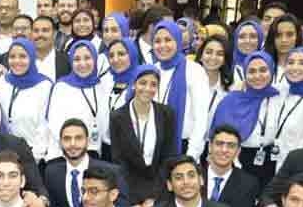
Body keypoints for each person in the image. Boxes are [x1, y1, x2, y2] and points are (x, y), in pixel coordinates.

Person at [110, 66, 177, 207]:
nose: (148, 88)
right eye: (142, 82)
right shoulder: (117, 117)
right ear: (133, 84)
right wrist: (132, 201)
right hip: (128, 190)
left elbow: (168, 159)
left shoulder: (167, 114)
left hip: (159, 189)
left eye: (153, 84)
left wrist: (154, 198)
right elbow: (119, 163)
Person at [210, 51, 281, 188]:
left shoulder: (279, 97)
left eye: (263, 70)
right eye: (252, 71)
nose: (257, 76)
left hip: (273, 161)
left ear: (272, 71)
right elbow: (219, 136)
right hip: (239, 161)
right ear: (245, 74)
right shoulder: (232, 100)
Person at [44, 119, 129, 207]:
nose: (72, 144)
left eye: (78, 138)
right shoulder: (52, 173)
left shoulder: (111, 171)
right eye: (67, 139)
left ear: (88, 141)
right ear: (60, 143)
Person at [151, 20, 210, 159]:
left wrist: (191, 155)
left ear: (177, 41)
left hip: (183, 147)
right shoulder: (153, 70)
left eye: (168, 40)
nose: (162, 45)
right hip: (153, 146)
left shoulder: (194, 70)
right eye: (157, 41)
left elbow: (200, 120)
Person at [47, 40, 111, 159]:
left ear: (95, 60)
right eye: (76, 59)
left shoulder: (100, 86)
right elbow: (54, 124)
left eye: (87, 58)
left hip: (93, 151)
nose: (82, 63)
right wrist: (74, 145)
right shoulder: (61, 87)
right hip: (65, 153)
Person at [0, 39, 52, 161]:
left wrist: (34, 157)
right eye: (12, 56)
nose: (17, 61)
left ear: (31, 57)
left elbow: (45, 125)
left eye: (22, 56)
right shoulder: (2, 82)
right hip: (5, 155)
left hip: (33, 155)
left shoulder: (44, 86)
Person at [268, 47, 303, 167]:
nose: (295, 67)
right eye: (291, 62)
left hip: (297, 166)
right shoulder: (282, 91)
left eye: (302, 63)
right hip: (275, 162)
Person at [203, 125, 261, 207]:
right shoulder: (194, 176)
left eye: (231, 146)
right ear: (210, 147)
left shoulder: (248, 184)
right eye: (219, 144)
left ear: (238, 151)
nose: (224, 150)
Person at [99, 39, 141, 158]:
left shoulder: (141, 82)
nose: (115, 59)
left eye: (121, 54)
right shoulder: (105, 81)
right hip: (106, 148)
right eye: (111, 55)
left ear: (132, 54)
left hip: (131, 151)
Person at [195, 35, 233, 128]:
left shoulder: (230, 89)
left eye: (219, 54)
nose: (213, 57)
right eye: (208, 52)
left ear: (224, 60)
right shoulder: (187, 81)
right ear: (200, 56)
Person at [264, 13, 303, 87]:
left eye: (289, 34)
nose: (284, 40)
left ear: (297, 36)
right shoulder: (262, 65)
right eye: (278, 35)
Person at [32, 15, 66, 80]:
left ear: (54, 34)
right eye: (36, 31)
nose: (40, 34)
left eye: (45, 30)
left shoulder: (67, 61)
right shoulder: (23, 60)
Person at [231, 20, 264, 86]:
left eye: (253, 36)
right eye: (242, 37)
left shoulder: (267, 67)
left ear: (260, 39)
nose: (247, 41)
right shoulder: (226, 66)